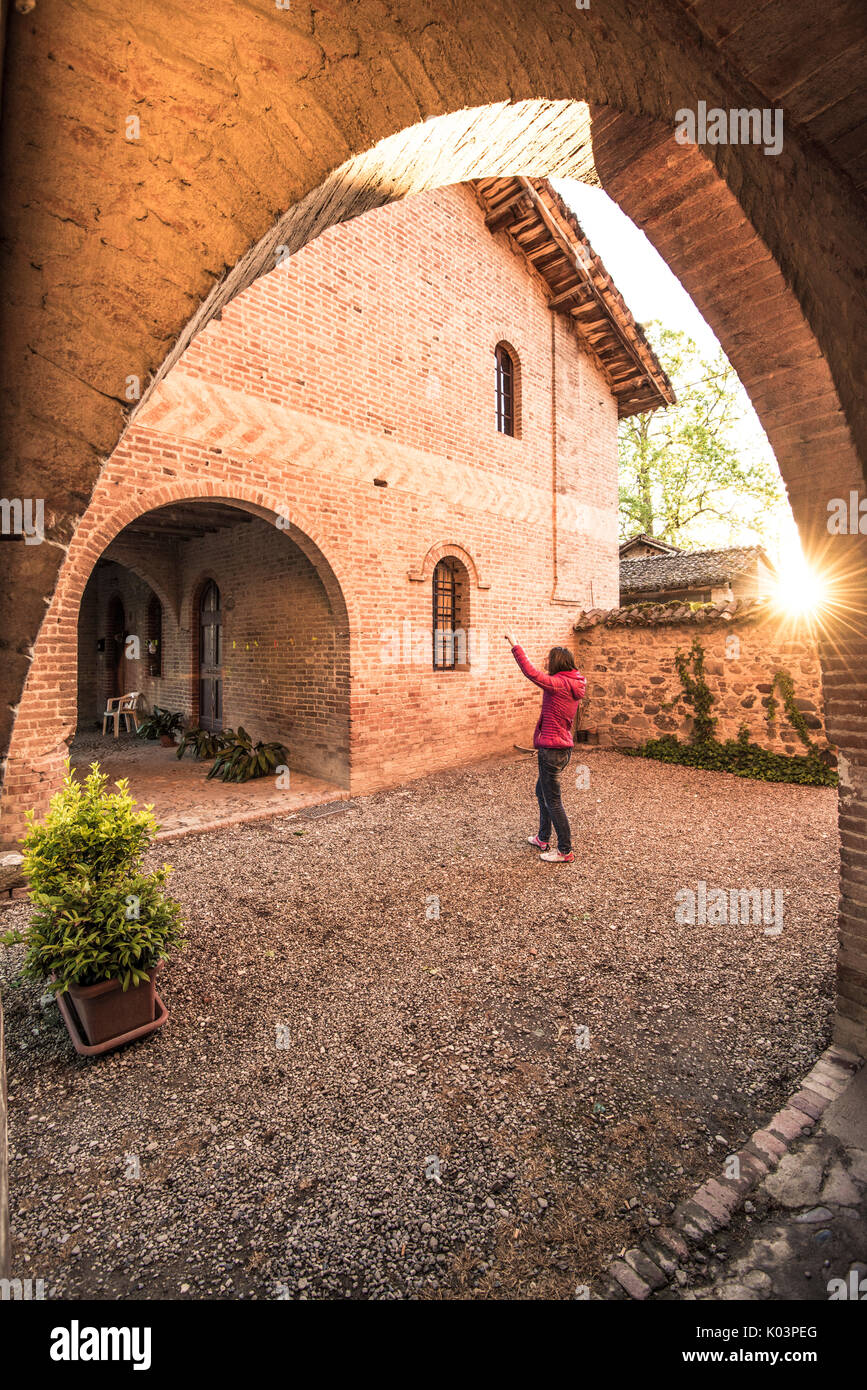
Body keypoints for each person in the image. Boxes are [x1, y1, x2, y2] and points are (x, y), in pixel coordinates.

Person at [504, 633, 586, 864]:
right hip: (560, 748)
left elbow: (530, 672)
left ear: (557, 662)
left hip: (551, 750)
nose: (546, 662)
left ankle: (564, 850)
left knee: (552, 800)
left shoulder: (559, 684)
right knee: (542, 793)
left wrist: (515, 645)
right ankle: (543, 837)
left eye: (549, 659)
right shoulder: (573, 681)